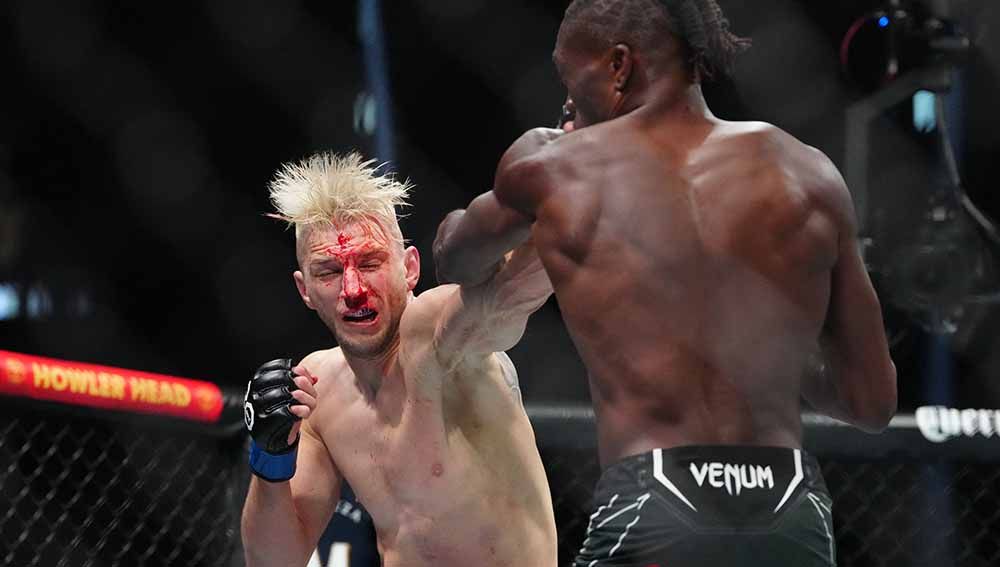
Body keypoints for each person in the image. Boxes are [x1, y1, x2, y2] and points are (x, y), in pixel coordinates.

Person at [433, 0, 898, 565]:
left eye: (568, 75)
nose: (566, 98)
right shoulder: (808, 172)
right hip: (793, 508)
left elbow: (456, 260)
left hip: (657, 500)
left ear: (618, 66)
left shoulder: (555, 165)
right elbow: (871, 402)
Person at [240, 152, 558, 567]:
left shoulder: (434, 338)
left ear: (409, 268)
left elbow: (506, 295)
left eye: (370, 263)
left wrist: (567, 199)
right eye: (329, 272)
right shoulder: (317, 389)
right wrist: (270, 458)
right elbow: (273, 563)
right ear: (304, 289)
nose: (353, 289)